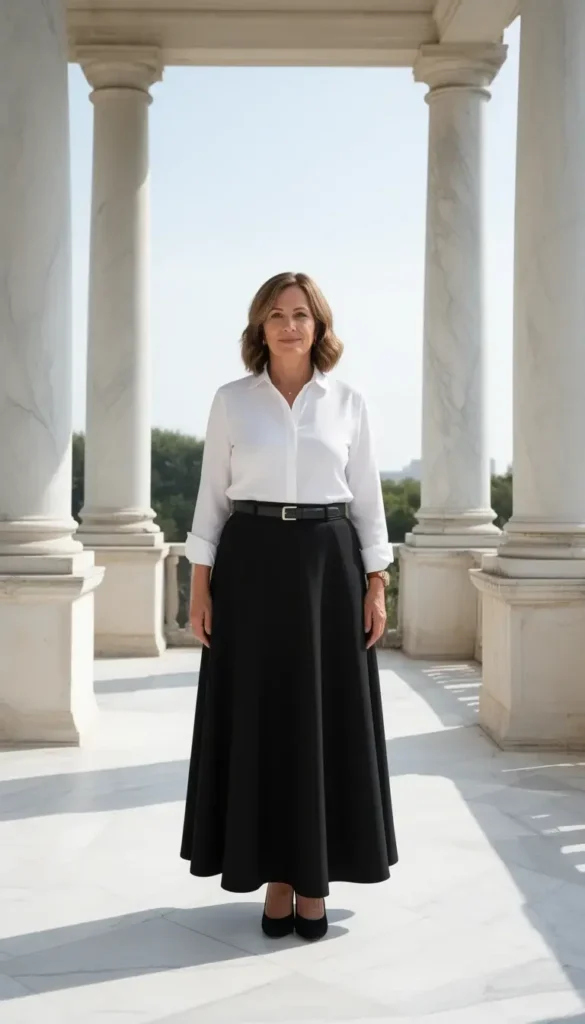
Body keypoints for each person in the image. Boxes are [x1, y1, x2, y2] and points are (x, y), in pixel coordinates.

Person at [180, 271, 398, 942]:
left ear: (319, 326)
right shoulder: (231, 402)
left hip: (328, 567)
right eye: (275, 314)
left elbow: (366, 499)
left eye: (301, 314)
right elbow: (211, 498)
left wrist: (376, 582)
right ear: (259, 327)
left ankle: (313, 879)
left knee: (322, 720)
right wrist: (198, 588)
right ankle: (273, 877)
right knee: (261, 719)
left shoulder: (348, 403)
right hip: (249, 566)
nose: (289, 325)